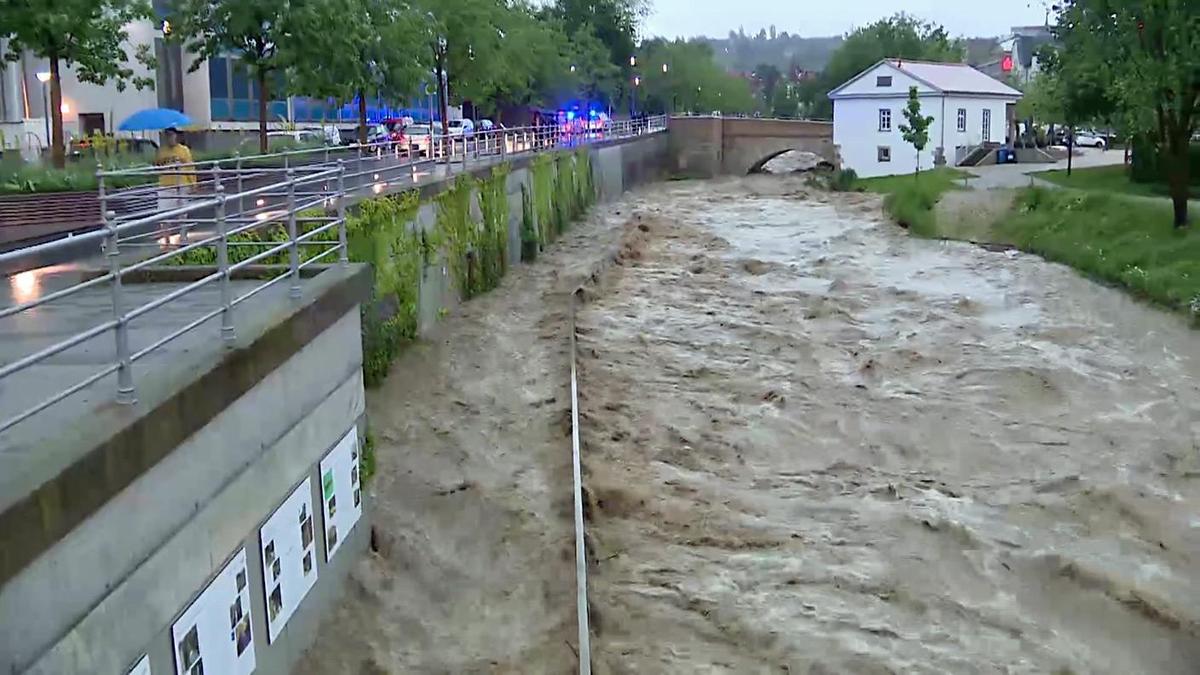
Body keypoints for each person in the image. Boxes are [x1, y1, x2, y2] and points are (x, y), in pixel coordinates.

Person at [154, 127, 197, 241]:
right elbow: (157, 167)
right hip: (166, 185)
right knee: (163, 213)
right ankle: (166, 240)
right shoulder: (161, 151)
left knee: (182, 212)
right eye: (167, 135)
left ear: (176, 136)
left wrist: (193, 183)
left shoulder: (184, 150)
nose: (170, 138)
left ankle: (183, 236)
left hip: (182, 184)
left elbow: (190, 167)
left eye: (172, 135)